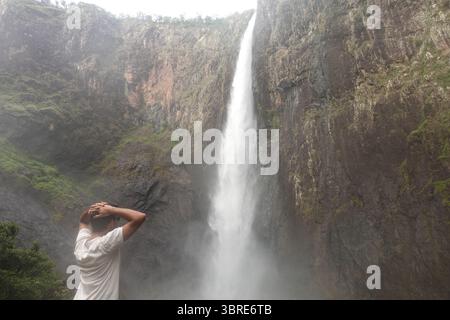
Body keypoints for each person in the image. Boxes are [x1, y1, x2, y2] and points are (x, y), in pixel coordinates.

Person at [73, 202, 146, 300]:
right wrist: (111, 210)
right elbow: (140, 217)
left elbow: (83, 222)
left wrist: (94, 209)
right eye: (116, 219)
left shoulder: (81, 244)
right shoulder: (105, 244)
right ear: (111, 223)